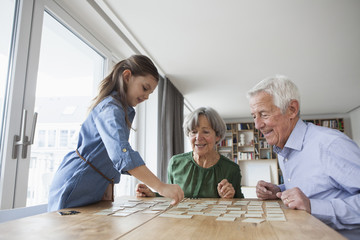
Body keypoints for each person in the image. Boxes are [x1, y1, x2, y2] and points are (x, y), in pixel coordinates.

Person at [48, 55, 184, 211]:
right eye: (145, 88)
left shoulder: (122, 110)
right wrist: (161, 187)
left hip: (95, 186)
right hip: (76, 182)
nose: (146, 97)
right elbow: (122, 154)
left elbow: (111, 159)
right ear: (127, 76)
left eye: (150, 93)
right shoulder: (110, 108)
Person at [247, 75, 360, 239]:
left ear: (291, 109)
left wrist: (312, 206)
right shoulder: (282, 148)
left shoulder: (330, 144)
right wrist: (280, 190)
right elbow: (318, 185)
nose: (257, 125)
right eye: (253, 116)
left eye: (263, 114)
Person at [136, 107, 244, 199]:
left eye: (205, 132)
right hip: (180, 223)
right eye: (193, 132)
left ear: (218, 136)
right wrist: (153, 195)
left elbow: (240, 205)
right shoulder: (175, 163)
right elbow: (170, 198)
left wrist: (230, 197)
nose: (198, 137)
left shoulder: (232, 169)